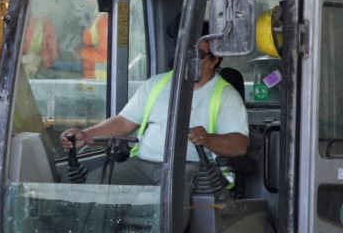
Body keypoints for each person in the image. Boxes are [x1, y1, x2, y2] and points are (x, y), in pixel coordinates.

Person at [60, 33, 249, 177]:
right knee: (98, 186)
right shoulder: (156, 84)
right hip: (143, 163)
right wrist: (86, 135)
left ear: (214, 61)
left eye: (196, 54)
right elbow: (124, 122)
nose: (186, 58)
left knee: (170, 199)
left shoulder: (226, 95)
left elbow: (239, 146)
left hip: (192, 167)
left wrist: (208, 139)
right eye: (184, 51)